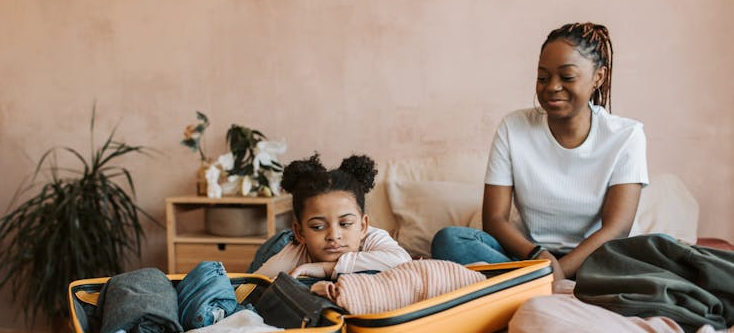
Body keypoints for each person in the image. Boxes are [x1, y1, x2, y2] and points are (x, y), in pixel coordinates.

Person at [431, 22, 648, 280]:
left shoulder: (626, 135)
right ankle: (532, 282)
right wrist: (538, 257)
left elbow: (616, 228)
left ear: (598, 77)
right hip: (528, 256)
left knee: (664, 250)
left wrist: (557, 273)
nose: (552, 87)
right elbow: (495, 219)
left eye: (567, 77)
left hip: (595, 259)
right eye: (543, 77)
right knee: (450, 241)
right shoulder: (513, 127)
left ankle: (521, 286)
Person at [253, 153, 412, 279]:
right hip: (280, 244)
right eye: (318, 227)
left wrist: (326, 268)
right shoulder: (289, 256)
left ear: (363, 226)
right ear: (300, 232)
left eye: (345, 224)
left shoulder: (372, 238)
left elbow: (403, 261)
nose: (334, 236)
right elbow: (250, 286)